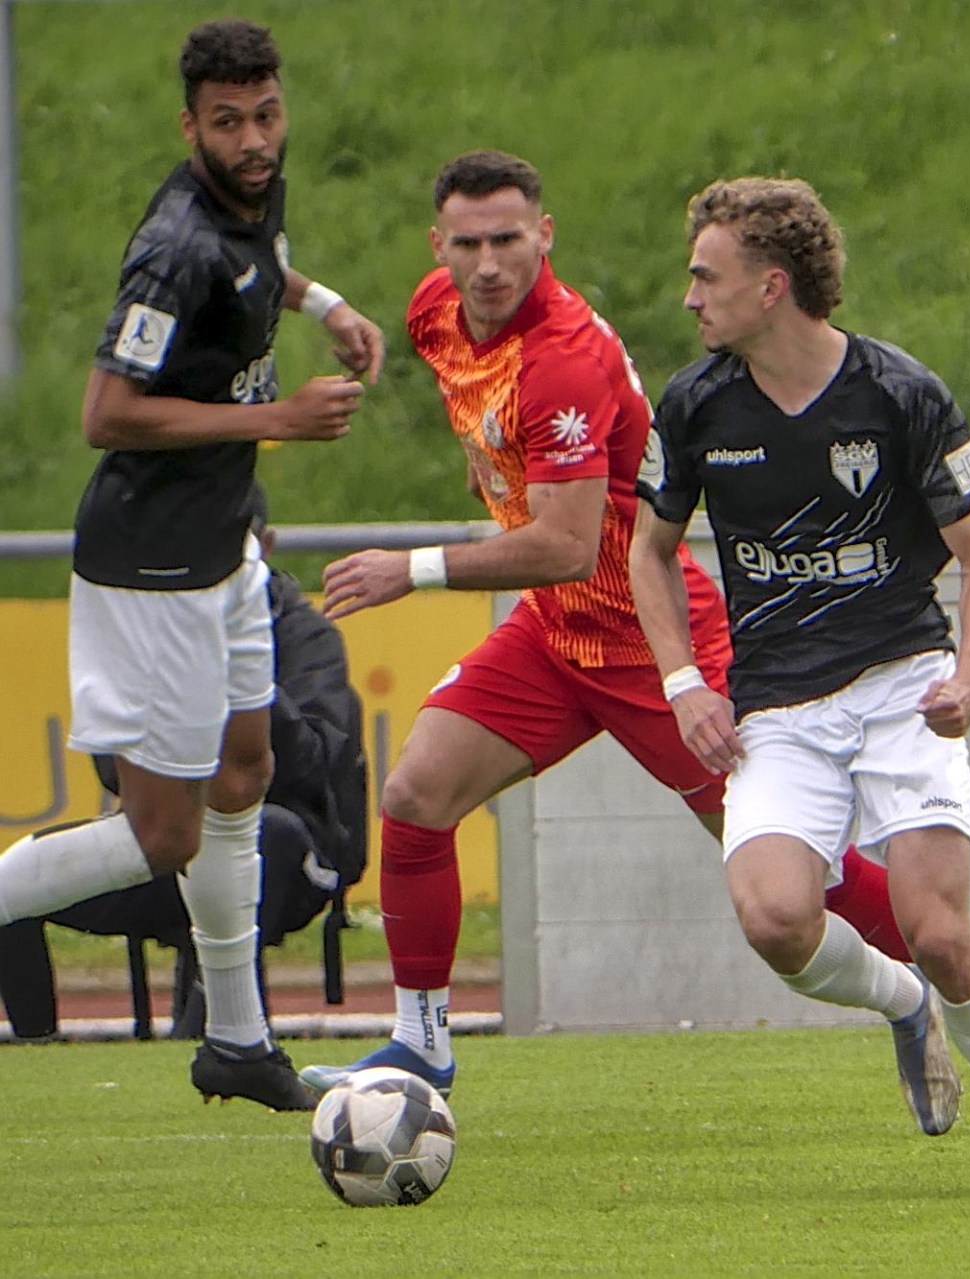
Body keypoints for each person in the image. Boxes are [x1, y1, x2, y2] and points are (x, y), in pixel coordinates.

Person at [302, 151, 908, 1098]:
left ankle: (961, 966)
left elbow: (568, 545)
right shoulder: (433, 311)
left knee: (793, 873)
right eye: (468, 243)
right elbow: (490, 435)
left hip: (654, 640)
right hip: (554, 636)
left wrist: (409, 569)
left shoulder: (563, 357)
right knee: (417, 794)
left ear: (545, 235)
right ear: (438, 246)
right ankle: (420, 1043)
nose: (489, 263)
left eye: (509, 239)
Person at [629, 176, 970, 1192]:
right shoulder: (696, 404)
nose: (690, 297)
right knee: (774, 919)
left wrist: (969, 678)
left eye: (706, 277)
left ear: (771, 286)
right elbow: (645, 551)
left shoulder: (899, 393)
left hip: (901, 687)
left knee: (941, 932)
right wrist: (683, 683)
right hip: (776, 706)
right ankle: (905, 1003)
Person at [0, 18, 382, 1110]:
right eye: (228, 123)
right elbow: (107, 414)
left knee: (243, 772)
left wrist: (325, 304)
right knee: (163, 835)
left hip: (224, 557)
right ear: (190, 126)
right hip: (151, 566)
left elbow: (259, 268)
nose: (254, 140)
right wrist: (277, 420)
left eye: (266, 114)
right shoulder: (173, 247)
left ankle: (237, 1044)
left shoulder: (251, 199)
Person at [0, 487, 368, 1041]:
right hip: (167, 837)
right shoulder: (142, 623)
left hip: (294, 849)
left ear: (263, 547)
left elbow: (314, 769)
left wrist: (241, 681)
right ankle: (39, 1047)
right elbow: (110, 768)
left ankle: (209, 1042)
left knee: (268, 832)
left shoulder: (305, 637)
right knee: (19, 881)